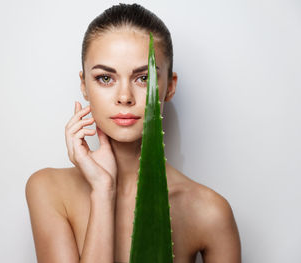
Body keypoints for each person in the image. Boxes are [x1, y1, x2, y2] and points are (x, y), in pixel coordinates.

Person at [25, 3, 241, 263]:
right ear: (84, 85)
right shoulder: (48, 189)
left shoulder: (209, 211)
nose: (125, 97)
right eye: (106, 78)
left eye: (144, 78)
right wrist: (103, 191)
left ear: (170, 87)